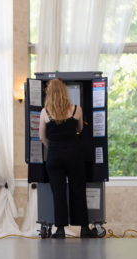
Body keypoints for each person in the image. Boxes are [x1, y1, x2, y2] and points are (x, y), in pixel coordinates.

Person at [39, 79, 96, 239]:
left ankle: (60, 230)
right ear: (65, 92)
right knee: (78, 190)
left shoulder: (45, 112)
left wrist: (54, 148)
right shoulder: (76, 109)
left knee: (58, 192)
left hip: (55, 156)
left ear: (49, 93)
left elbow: (41, 137)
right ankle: (84, 228)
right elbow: (80, 129)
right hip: (74, 154)